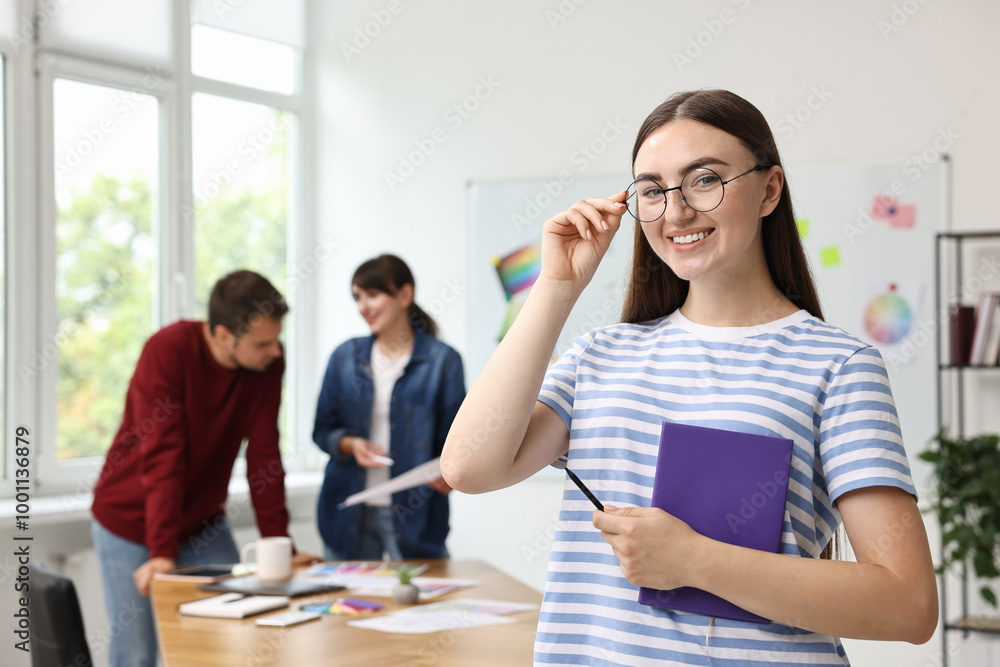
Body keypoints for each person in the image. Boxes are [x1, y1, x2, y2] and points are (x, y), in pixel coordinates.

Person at [441, 90, 938, 665]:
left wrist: (695, 559)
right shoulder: (601, 354)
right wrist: (555, 287)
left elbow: (908, 604)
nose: (676, 212)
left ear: (769, 190)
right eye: (652, 190)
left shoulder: (839, 366)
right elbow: (468, 468)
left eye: (705, 179)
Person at [91, 270, 321, 667]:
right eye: (263, 342)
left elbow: (264, 455)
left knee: (232, 640)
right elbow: (165, 458)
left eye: (276, 338)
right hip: (129, 520)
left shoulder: (267, 365)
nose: (275, 351)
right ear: (221, 335)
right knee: (136, 655)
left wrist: (280, 546)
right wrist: (162, 552)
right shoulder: (168, 350)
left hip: (201, 523)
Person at [313, 254, 465, 560]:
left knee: (420, 603)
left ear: (405, 295)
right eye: (357, 297)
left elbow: (458, 442)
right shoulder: (344, 358)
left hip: (416, 515)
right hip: (348, 511)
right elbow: (321, 431)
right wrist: (351, 444)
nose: (362, 307)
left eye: (373, 294)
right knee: (349, 605)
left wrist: (452, 473)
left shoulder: (443, 361)